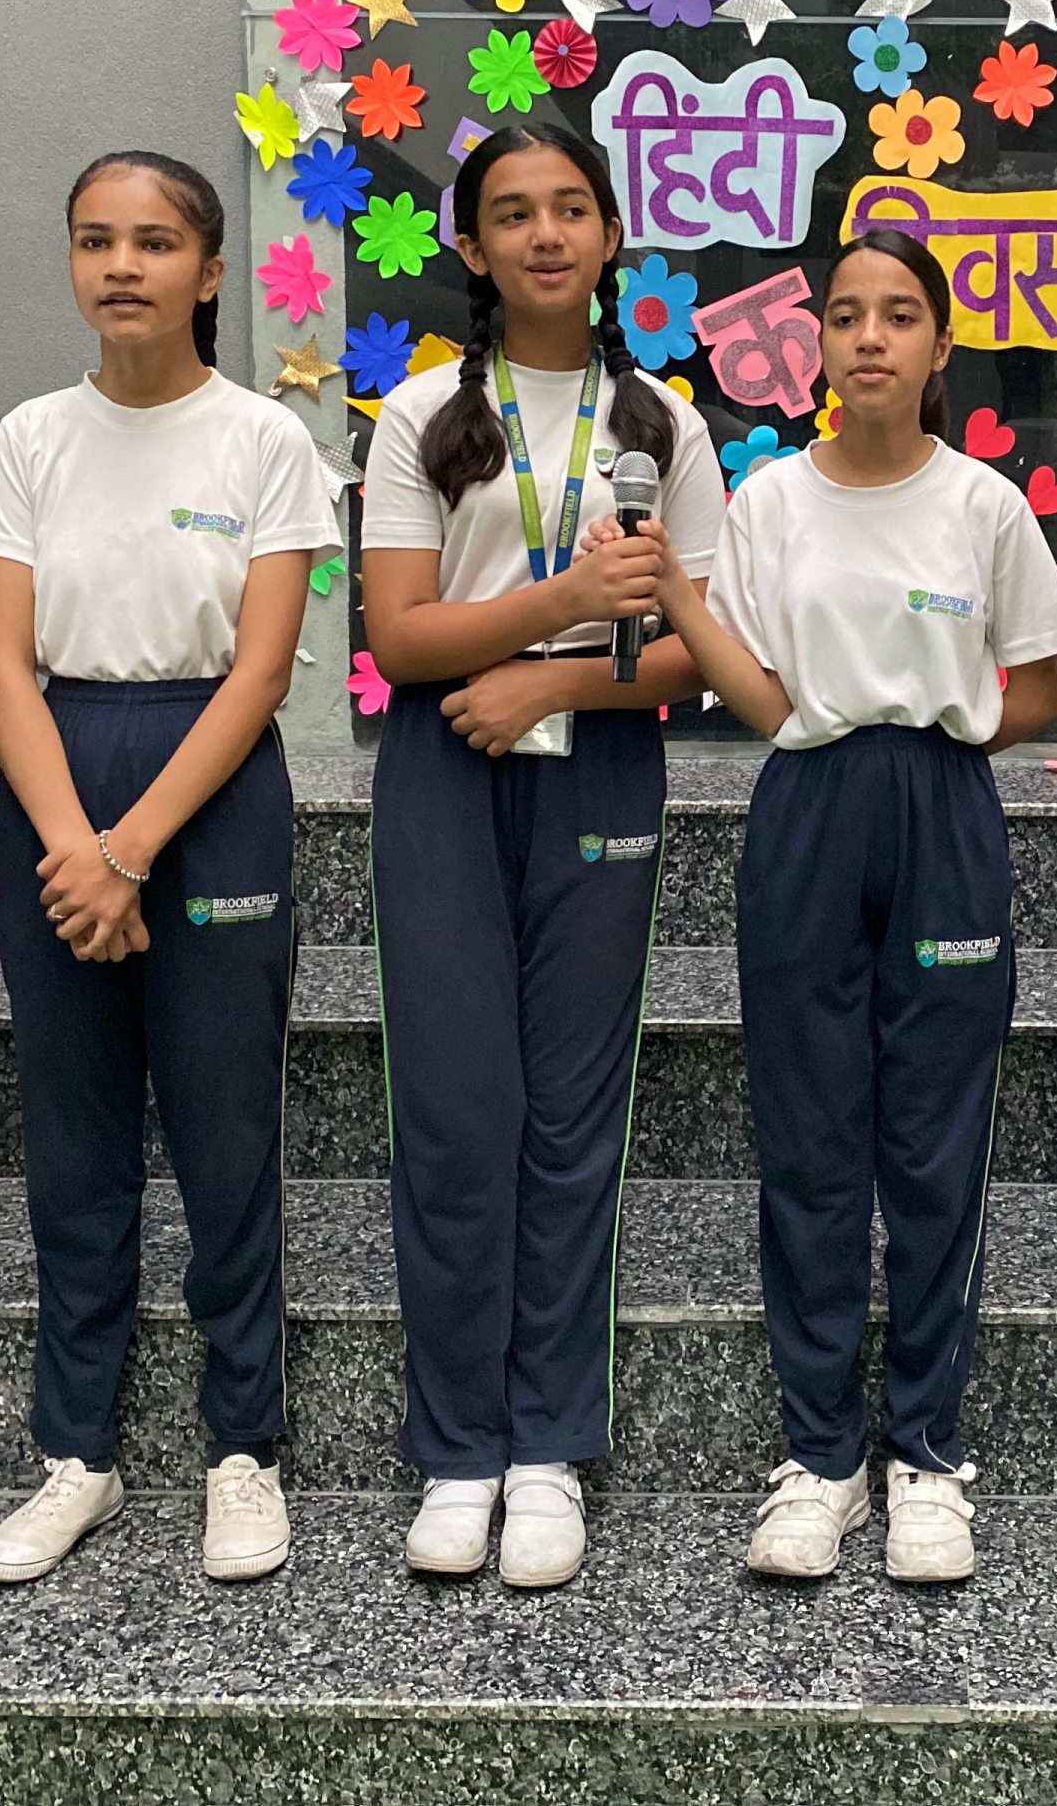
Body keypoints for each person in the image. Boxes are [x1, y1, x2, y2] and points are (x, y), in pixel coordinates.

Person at [616, 229, 1057, 1585]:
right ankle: (821, 1458)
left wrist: (940, 733)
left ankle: (927, 1454)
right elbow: (764, 699)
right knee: (811, 1143)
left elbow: (1040, 690)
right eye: (845, 315)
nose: (870, 337)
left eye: (899, 315)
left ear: (939, 345)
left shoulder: (984, 505)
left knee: (937, 1146)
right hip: (809, 808)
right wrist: (679, 596)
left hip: (942, 809)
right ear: (815, 342)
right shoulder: (770, 503)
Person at [359, 124, 723, 1589]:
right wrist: (560, 606)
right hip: (444, 766)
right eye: (512, 214)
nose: (546, 235)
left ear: (613, 233)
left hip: (602, 759)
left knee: (574, 1116)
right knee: (458, 1113)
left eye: (572, 208)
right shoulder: (418, 416)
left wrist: (551, 680)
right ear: (471, 245)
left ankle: (549, 1448)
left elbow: (694, 653)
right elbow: (400, 637)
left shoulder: (665, 424)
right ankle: (458, 1447)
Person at [0, 152, 334, 1588]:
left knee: (226, 1131)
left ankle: (243, 1448)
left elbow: (260, 673)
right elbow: (2, 664)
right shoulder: (30, 437)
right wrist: (76, 845)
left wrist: (130, 851)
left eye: (156, 241)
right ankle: (78, 1453)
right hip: (57, 779)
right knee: (74, 1137)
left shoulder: (264, 440)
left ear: (211, 271)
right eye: (95, 240)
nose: (123, 265)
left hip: (211, 789)